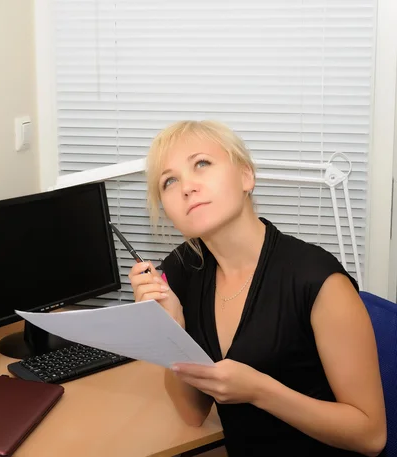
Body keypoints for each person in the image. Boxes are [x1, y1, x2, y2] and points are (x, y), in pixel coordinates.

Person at [129, 120, 387, 457]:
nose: (187, 187)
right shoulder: (182, 270)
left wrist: (260, 391)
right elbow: (192, 414)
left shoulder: (317, 279)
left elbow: (370, 436)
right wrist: (170, 331)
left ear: (246, 177)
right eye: (169, 181)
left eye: (202, 164)